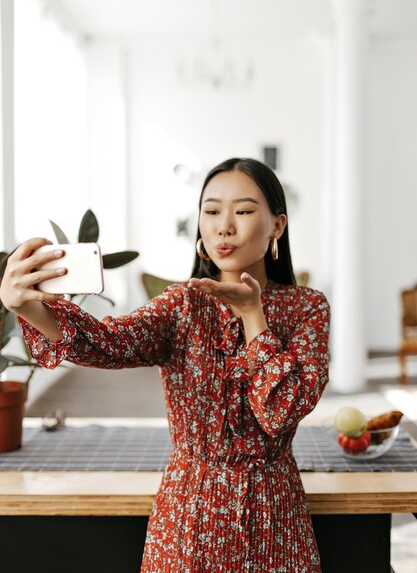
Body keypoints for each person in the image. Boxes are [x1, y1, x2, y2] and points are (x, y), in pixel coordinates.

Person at [0, 157, 330, 572]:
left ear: (277, 226)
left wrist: (252, 316)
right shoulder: (182, 305)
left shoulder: (307, 308)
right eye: (211, 211)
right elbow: (108, 343)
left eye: (243, 211)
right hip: (189, 513)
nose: (223, 226)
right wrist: (27, 308)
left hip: (273, 516)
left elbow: (280, 412)